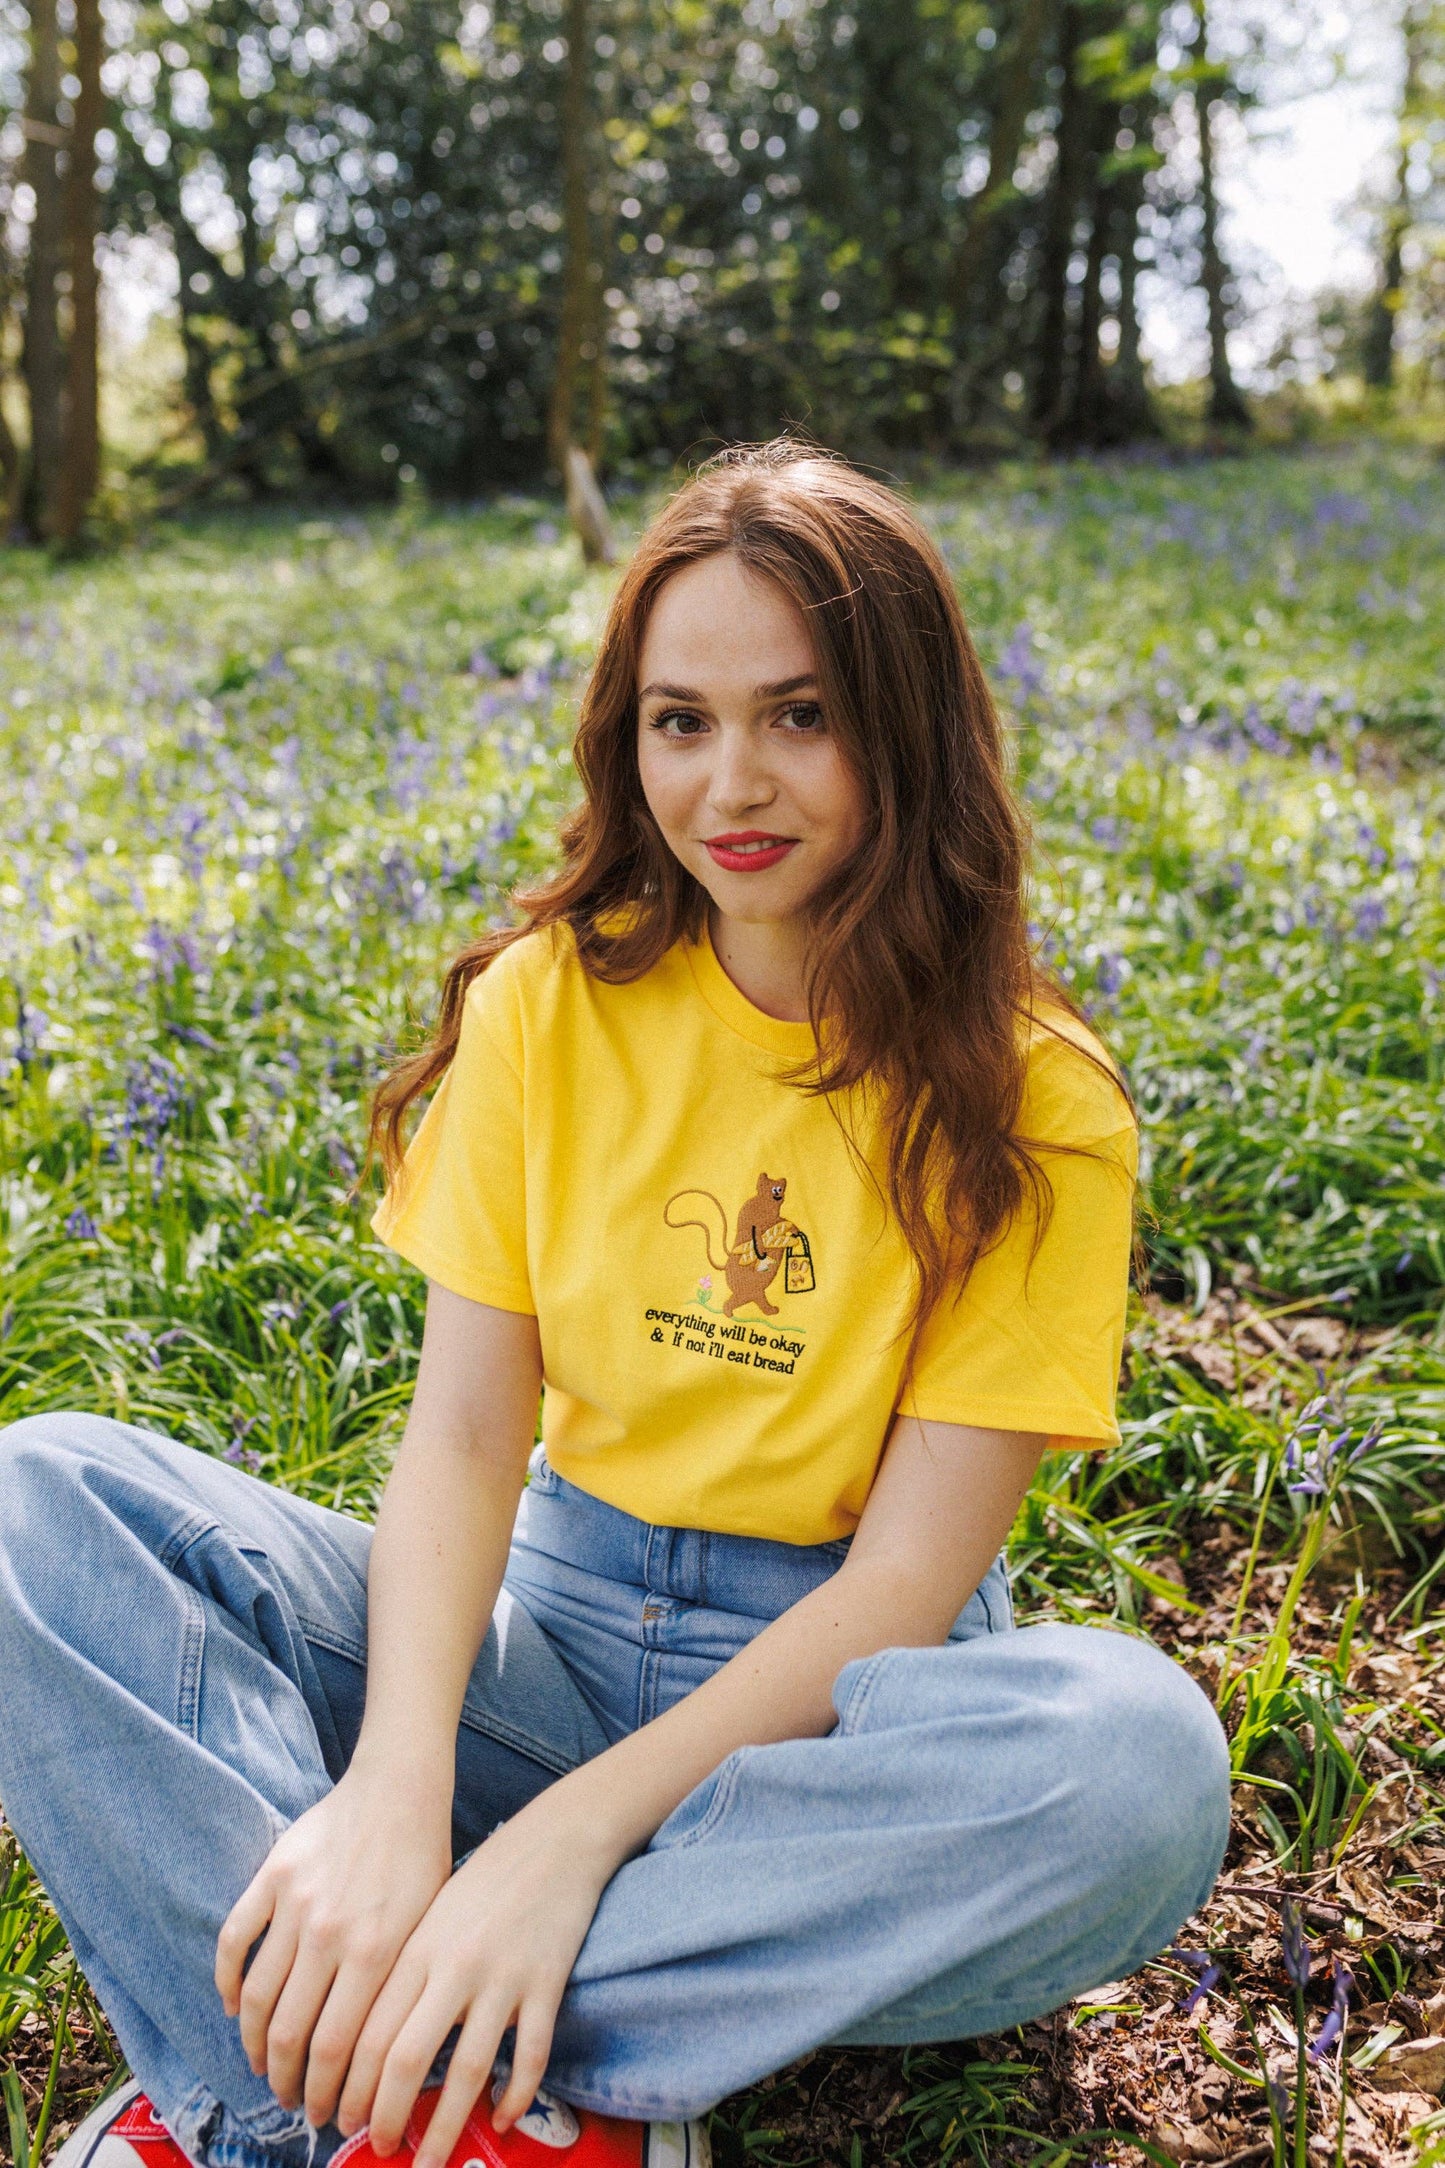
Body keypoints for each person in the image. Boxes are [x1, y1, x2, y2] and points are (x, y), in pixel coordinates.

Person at [0, 443, 1230, 2168]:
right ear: (625, 734)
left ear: (908, 724)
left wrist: (553, 1848)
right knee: (35, 1501)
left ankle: (409, 2032)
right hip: (547, 1643)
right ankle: (375, 2104)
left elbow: (900, 1583)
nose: (733, 779)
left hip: (821, 1726)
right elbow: (466, 1432)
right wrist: (402, 1785)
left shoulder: (1034, 1095)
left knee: (1135, 1764)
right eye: (680, 720)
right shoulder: (546, 1009)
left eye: (800, 714)